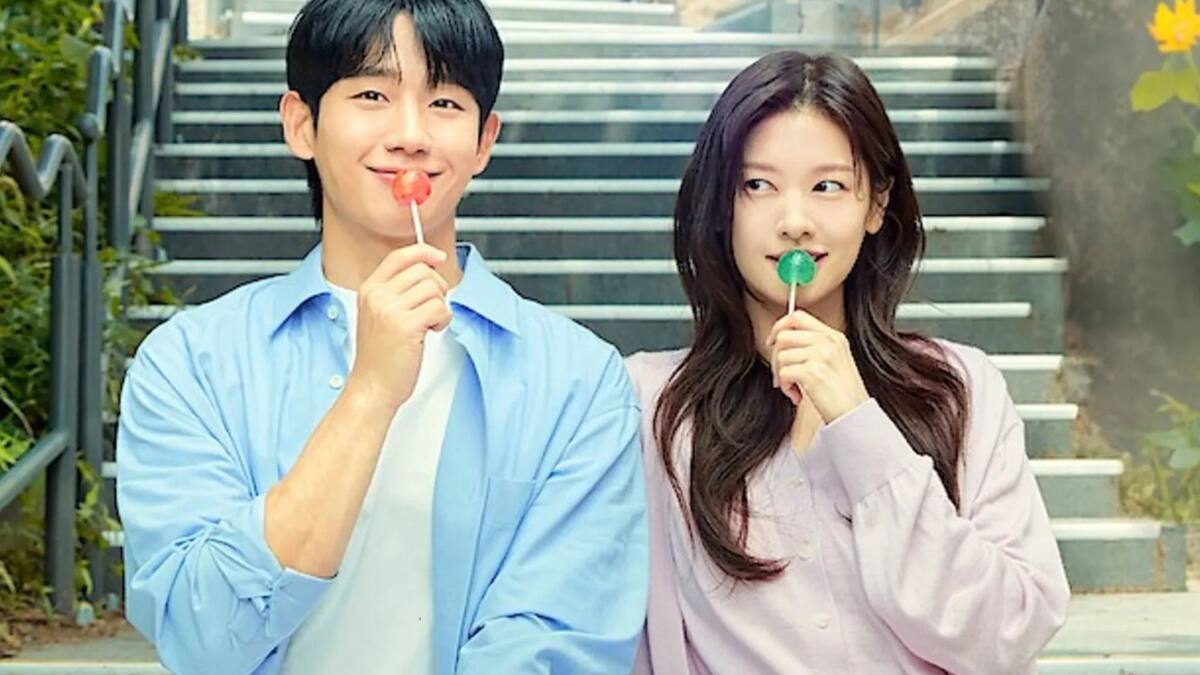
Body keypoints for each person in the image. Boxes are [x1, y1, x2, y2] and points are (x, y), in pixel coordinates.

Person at [116, 1, 648, 673]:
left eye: (445, 103)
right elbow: (202, 634)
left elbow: (558, 637)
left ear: (484, 141)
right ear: (302, 124)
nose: (410, 135)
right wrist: (369, 393)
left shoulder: (577, 380)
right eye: (372, 95)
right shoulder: (191, 362)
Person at [627, 51, 1069, 675]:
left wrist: (861, 429)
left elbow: (1009, 631)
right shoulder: (649, 404)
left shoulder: (960, 389)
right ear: (720, 207)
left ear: (877, 204)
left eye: (828, 186)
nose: (795, 222)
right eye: (758, 186)